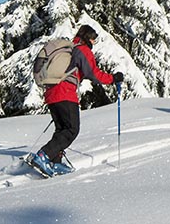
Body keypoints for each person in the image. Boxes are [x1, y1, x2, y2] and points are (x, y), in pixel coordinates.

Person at [29, 24, 123, 176]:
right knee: (72, 129)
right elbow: (93, 73)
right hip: (65, 93)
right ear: (87, 37)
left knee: (62, 130)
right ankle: (44, 155)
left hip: (52, 93)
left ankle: (54, 161)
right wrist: (113, 78)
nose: (94, 43)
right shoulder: (82, 50)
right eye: (93, 39)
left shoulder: (71, 50)